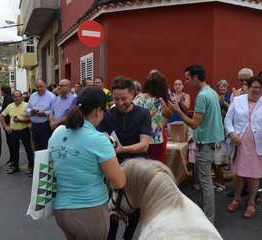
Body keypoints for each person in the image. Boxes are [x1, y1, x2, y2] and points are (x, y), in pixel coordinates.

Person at [49, 86, 125, 240]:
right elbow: (119, 182)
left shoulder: (58, 132)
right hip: (89, 210)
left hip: (60, 209)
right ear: (98, 111)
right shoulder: (98, 139)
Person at [168, 64, 224, 224]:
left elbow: (194, 124)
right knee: (204, 180)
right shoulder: (211, 92)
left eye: (187, 78)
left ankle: (208, 219)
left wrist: (178, 110)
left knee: (205, 182)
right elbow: (201, 118)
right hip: (210, 141)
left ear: (195, 77)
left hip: (204, 142)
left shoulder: (202, 96)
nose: (186, 82)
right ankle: (206, 212)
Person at [97, 76, 151, 240]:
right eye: (116, 98)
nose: (119, 103)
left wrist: (121, 149)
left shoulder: (143, 113)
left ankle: (128, 236)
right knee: (111, 208)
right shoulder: (108, 114)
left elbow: (144, 145)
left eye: (124, 99)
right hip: (113, 166)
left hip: (136, 167)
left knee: (134, 209)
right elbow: (99, 137)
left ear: (133, 94)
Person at [224, 77, 262, 219]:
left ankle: (251, 202)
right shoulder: (238, 100)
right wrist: (231, 133)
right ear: (248, 87)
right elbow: (227, 119)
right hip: (240, 144)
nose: (256, 90)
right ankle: (237, 198)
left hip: (259, 144)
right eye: (254, 87)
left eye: (260, 88)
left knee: (254, 176)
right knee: (239, 173)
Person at [134, 72, 172, 161]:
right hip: (156, 140)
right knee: (155, 167)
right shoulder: (159, 101)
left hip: (140, 139)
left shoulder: (138, 98)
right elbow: (169, 115)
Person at [0, 90, 34, 176]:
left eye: (19, 96)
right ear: (13, 97)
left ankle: (31, 167)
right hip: (14, 132)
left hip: (24, 131)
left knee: (28, 150)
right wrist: (5, 126)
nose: (17, 98)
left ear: (22, 97)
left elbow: (32, 118)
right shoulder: (10, 106)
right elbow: (1, 116)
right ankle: (15, 167)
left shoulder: (27, 106)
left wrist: (25, 122)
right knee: (14, 150)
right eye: (15, 97)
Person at [26, 80, 55, 151]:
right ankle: (39, 161)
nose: (39, 89)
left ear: (45, 86)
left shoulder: (52, 96)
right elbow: (27, 108)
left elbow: (54, 111)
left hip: (46, 125)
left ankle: (45, 162)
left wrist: (44, 113)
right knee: (36, 146)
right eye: (37, 87)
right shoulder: (33, 95)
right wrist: (31, 111)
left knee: (46, 146)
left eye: (41, 86)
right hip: (35, 125)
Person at [214, 79, 231, 192]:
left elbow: (232, 110)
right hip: (216, 127)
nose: (223, 88)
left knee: (219, 156)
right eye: (221, 86)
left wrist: (224, 103)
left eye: (225, 87)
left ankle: (221, 182)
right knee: (216, 159)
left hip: (225, 127)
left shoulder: (230, 97)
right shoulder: (214, 96)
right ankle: (218, 181)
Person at [1, 85, 14, 166]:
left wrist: (7, 125)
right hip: (8, 124)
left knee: (11, 142)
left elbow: (8, 112)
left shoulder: (8, 99)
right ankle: (12, 158)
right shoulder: (7, 98)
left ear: (3, 91)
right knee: (10, 143)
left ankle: (13, 159)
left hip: (9, 124)